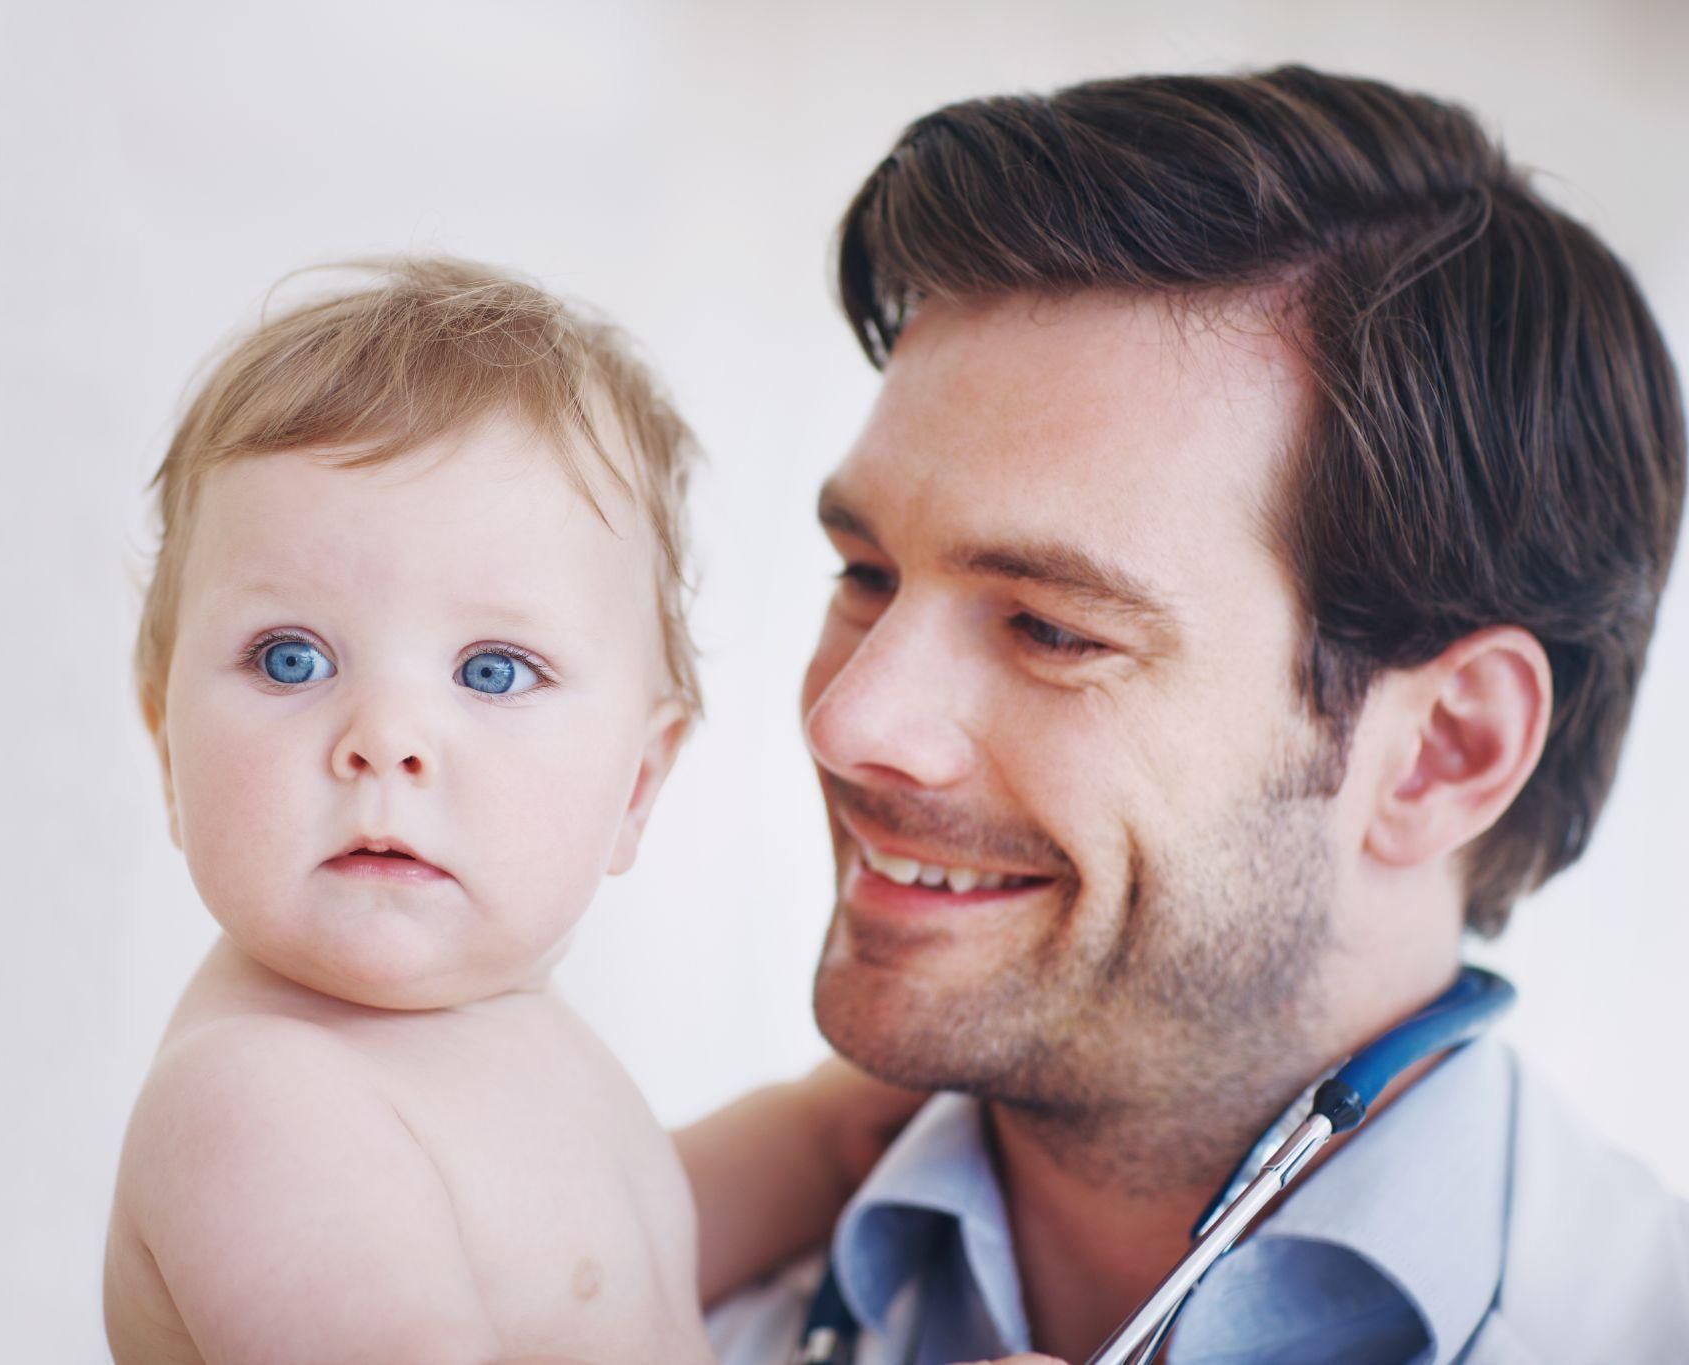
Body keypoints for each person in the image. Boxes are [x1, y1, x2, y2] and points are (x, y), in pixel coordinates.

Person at [706, 66, 1689, 1363]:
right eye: (866, 574)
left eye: (1053, 628)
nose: (852, 717)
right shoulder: (591, 1291)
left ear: (1443, 751)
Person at [100, 258, 922, 1364]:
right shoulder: (257, 1105)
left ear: (636, 784)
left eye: (491, 672)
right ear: (166, 751)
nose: (383, 737)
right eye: (289, 658)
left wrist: (825, 1138)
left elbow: (595, 1277)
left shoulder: (501, 1046)